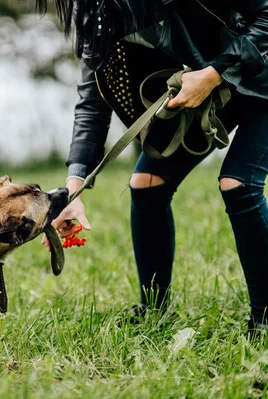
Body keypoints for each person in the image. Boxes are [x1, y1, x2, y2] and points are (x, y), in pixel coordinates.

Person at [40, 0, 268, 334]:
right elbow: (92, 102)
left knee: (237, 183)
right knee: (146, 183)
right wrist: (73, 189)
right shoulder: (99, 12)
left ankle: (264, 317)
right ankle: (154, 311)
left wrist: (212, 74)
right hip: (214, 89)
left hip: (258, 74)